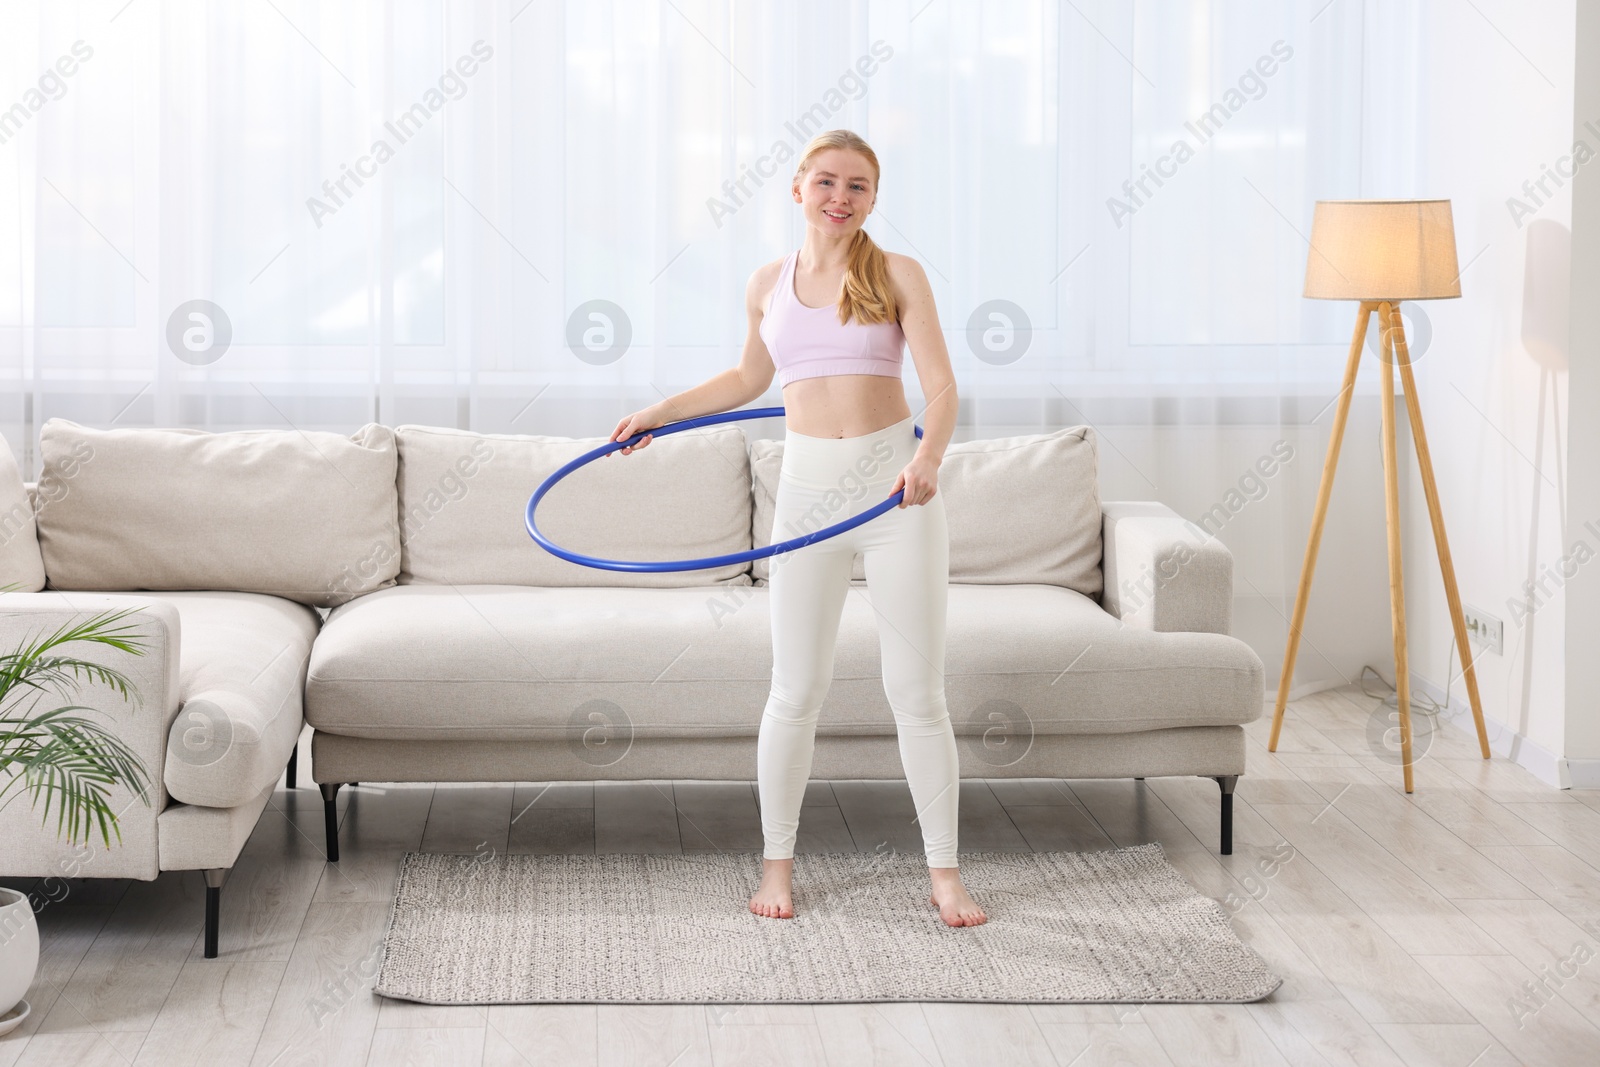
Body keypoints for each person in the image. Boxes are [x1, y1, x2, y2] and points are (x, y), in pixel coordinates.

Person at [608, 129, 984, 928]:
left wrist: (930, 460)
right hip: (808, 494)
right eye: (826, 182)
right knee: (796, 689)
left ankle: (945, 875)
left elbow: (943, 388)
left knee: (916, 692)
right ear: (797, 188)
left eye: (857, 186)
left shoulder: (896, 274)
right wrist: (658, 412)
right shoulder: (767, 284)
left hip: (894, 494)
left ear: (874, 199)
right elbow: (750, 379)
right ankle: (777, 866)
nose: (840, 198)